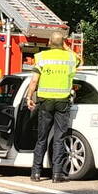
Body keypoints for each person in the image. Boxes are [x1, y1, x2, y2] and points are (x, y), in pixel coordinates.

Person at [26, 31, 79, 183]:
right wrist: (66, 46)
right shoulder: (70, 57)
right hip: (62, 101)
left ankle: (36, 172)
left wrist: (29, 97)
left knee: (42, 138)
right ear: (63, 43)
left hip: (45, 102)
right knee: (59, 138)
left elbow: (34, 81)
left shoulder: (42, 57)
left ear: (49, 42)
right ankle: (57, 174)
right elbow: (80, 60)